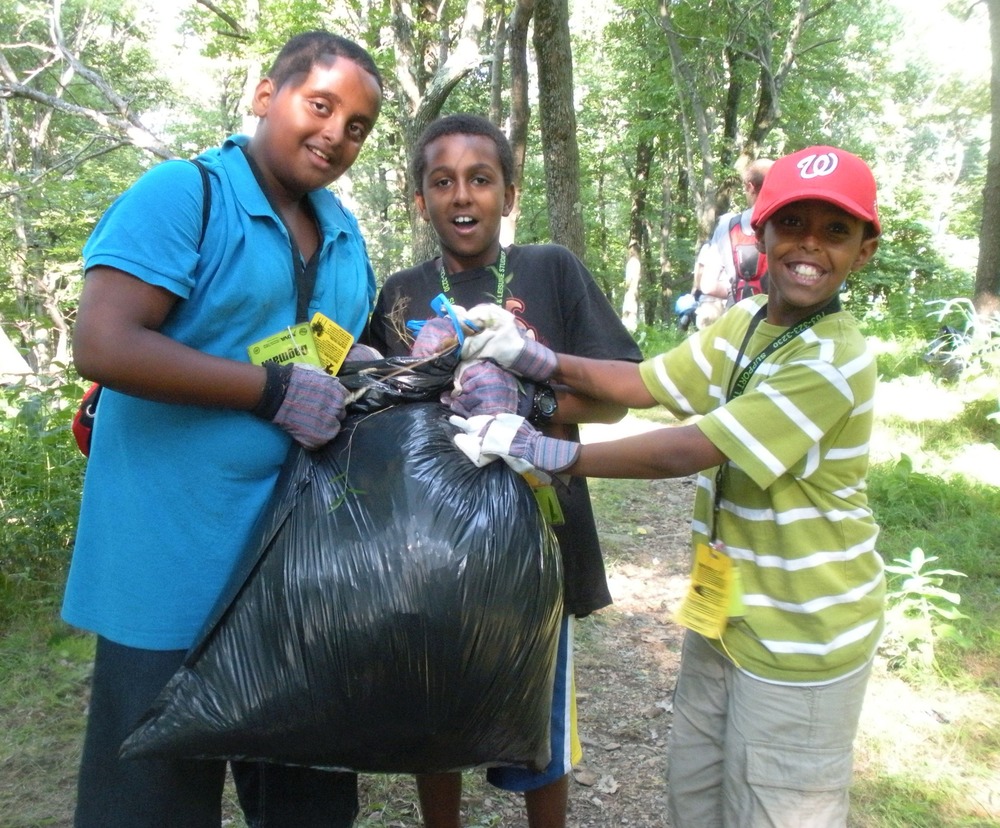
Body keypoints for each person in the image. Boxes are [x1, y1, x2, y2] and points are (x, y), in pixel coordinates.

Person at [449, 145, 885, 827]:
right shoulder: (745, 324)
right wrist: (531, 354)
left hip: (803, 636)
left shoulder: (833, 359)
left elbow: (687, 449)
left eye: (836, 231)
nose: (809, 245)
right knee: (698, 797)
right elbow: (647, 383)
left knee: (772, 808)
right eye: (792, 222)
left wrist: (541, 450)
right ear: (760, 232)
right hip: (728, 619)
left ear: (864, 251)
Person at [63, 31, 383, 828]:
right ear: (264, 94)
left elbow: (330, 345)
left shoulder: (343, 230)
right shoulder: (184, 195)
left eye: (357, 126)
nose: (335, 134)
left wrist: (398, 364)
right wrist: (267, 391)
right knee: (154, 802)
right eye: (321, 105)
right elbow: (104, 342)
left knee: (306, 804)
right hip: (167, 567)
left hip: (295, 580)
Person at [362, 113, 643, 828]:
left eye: (481, 180)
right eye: (443, 181)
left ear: (510, 194)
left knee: (540, 727)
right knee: (435, 714)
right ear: (419, 199)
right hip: (426, 546)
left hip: (539, 542)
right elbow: (375, 401)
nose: (463, 196)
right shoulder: (399, 294)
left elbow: (619, 394)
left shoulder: (550, 270)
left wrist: (531, 394)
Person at [697, 157, 774, 328]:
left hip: (736, 322)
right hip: (779, 323)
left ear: (750, 187)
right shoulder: (789, 224)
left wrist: (736, 289)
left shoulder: (727, 226)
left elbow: (707, 286)